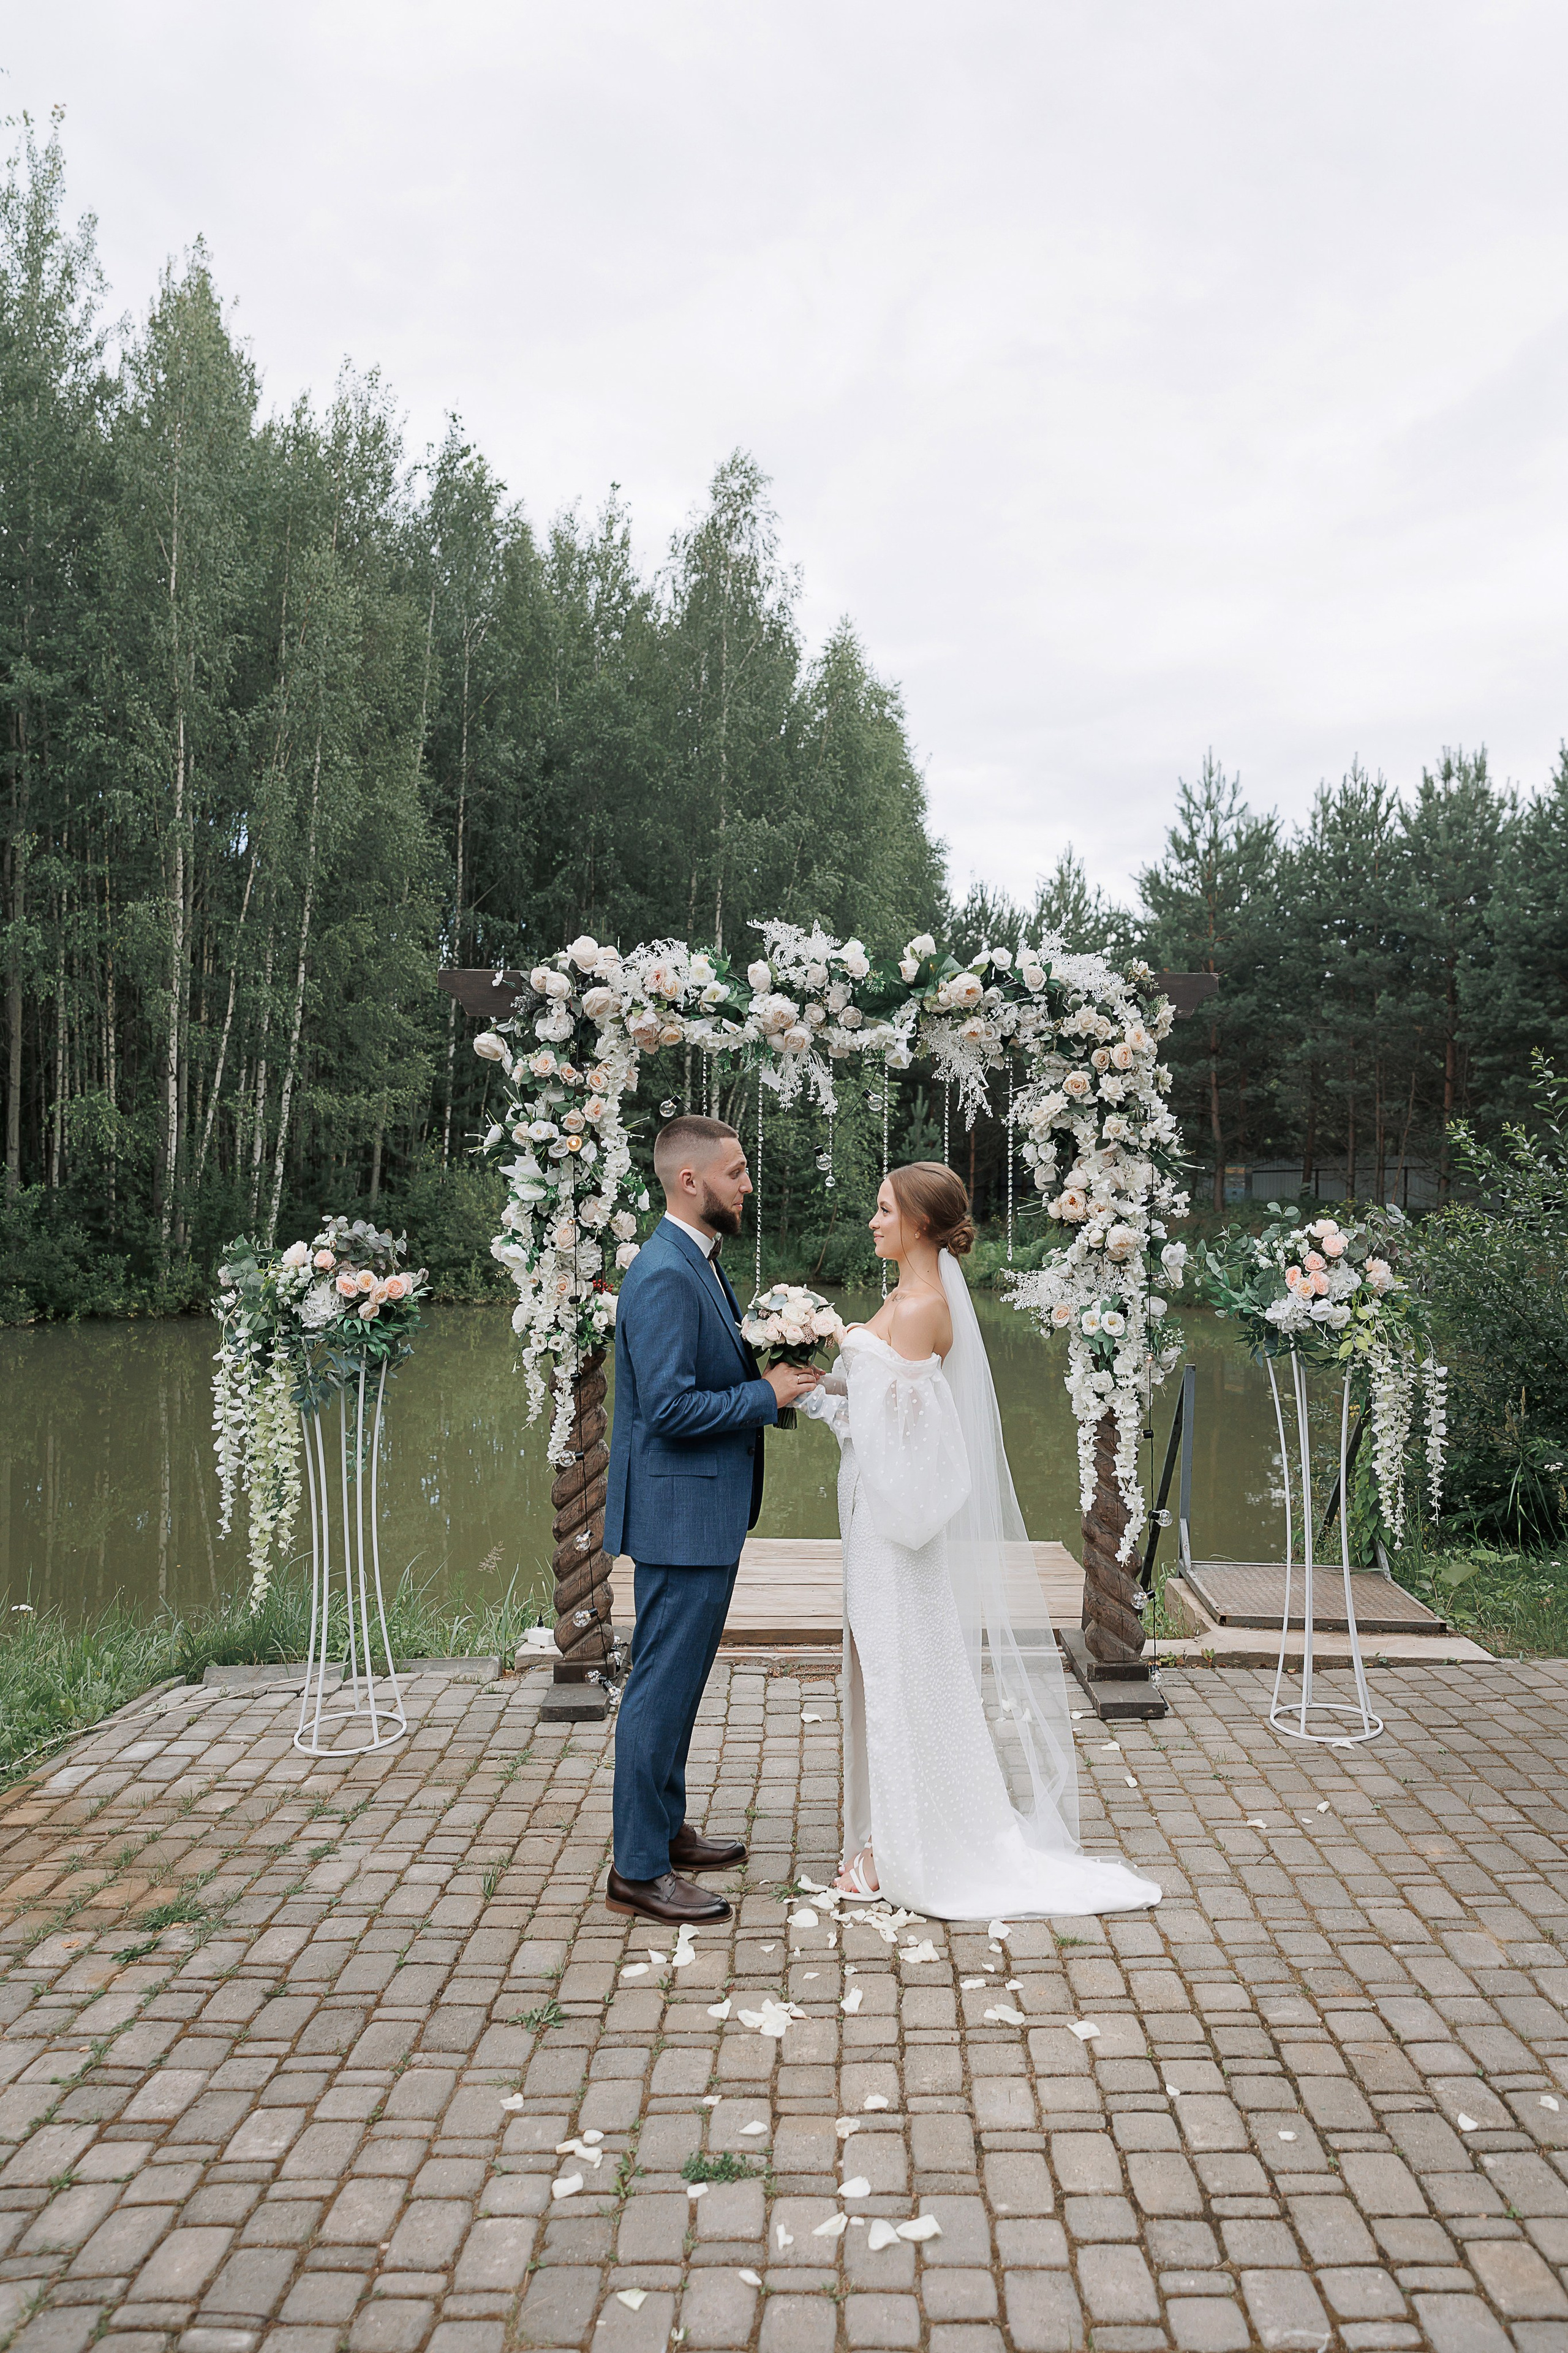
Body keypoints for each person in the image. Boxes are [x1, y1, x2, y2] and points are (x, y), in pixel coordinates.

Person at [802, 1161, 1161, 1919]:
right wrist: (821, 1383)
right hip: (875, 1516)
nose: (872, 1221)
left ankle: (900, 1851)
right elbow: (881, 1410)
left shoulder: (917, 1308)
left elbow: (899, 1438)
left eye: (884, 1210)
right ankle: (890, 1830)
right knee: (893, 1670)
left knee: (899, 1676)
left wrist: (834, 1369)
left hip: (892, 1529)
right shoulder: (903, 1298)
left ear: (919, 1223)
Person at [603, 1115, 821, 1925]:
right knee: (659, 1689)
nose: (746, 1184)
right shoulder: (664, 1271)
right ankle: (637, 1870)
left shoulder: (696, 1259)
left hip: (698, 1510)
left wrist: (769, 1372)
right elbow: (666, 1408)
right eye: (735, 1171)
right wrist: (766, 1395)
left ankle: (664, 1829)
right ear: (689, 1180)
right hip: (678, 1513)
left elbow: (698, 1375)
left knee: (680, 1683)